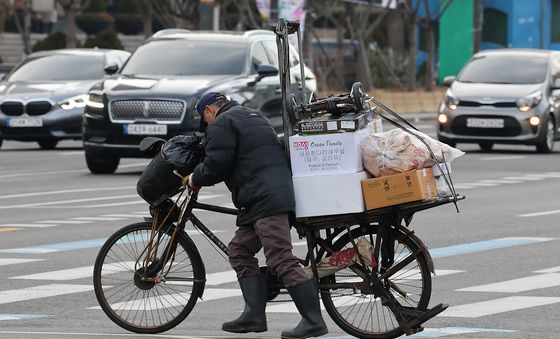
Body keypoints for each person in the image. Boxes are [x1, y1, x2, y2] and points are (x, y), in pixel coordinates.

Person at [188, 92, 328, 339]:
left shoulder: (222, 122)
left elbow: (216, 164)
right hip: (266, 195)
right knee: (239, 250)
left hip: (265, 197)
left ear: (209, 111)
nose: (206, 125)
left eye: (204, 120)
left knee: (280, 258)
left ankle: (313, 320)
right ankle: (254, 315)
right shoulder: (254, 115)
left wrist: (195, 178)